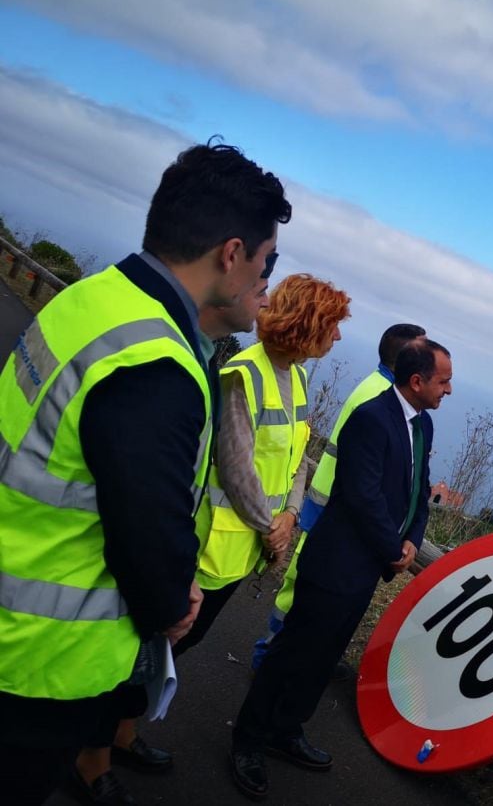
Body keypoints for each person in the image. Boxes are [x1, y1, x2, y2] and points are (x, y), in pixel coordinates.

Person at [0, 141, 290, 806]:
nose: (266, 285)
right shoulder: (156, 366)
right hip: (37, 662)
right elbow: (145, 533)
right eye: (267, 263)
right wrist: (172, 602)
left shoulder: (96, 298)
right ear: (232, 255)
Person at [229, 340, 452, 800]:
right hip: (335, 562)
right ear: (417, 381)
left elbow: (417, 489)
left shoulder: (422, 424)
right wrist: (395, 548)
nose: (448, 389)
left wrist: (412, 535)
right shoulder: (371, 418)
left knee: (323, 655)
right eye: (443, 381)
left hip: (364, 567)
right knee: (292, 652)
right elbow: (361, 495)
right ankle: (247, 741)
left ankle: (286, 730)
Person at [174, 273, 350, 657]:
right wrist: (274, 528)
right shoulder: (244, 375)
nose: (337, 336)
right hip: (210, 547)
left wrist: (290, 515)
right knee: (167, 645)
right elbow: (236, 468)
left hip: (247, 544)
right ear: (309, 321)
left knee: (188, 641)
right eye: (333, 325)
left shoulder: (297, 376)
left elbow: (298, 456)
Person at [251, 323, 426, 670]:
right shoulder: (381, 397)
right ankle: (270, 656)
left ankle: (281, 657)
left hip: (330, 504)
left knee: (304, 592)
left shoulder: (378, 388)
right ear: (404, 358)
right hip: (333, 510)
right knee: (300, 592)